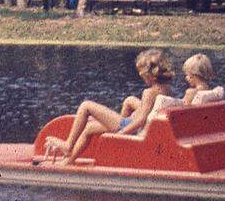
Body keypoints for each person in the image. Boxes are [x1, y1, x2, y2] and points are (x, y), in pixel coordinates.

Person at [45, 49, 175, 165]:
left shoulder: (149, 93)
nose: (140, 75)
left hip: (129, 126)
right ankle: (69, 160)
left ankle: (68, 146)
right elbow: (149, 110)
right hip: (134, 124)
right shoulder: (167, 90)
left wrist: (120, 135)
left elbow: (141, 119)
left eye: (141, 72)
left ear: (148, 74)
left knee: (86, 106)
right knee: (92, 126)